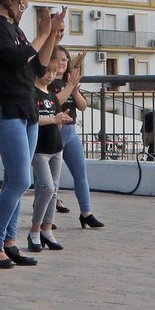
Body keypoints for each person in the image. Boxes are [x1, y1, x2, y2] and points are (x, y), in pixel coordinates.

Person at [0, 0, 63, 270]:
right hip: (6, 108)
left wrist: (50, 36)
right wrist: (40, 34)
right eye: (24, 0)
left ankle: (9, 242)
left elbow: (37, 67)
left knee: (17, 180)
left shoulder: (16, 30)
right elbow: (15, 59)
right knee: (20, 180)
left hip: (26, 110)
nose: (25, 6)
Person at [28, 50, 80, 252]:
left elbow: (57, 116)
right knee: (47, 188)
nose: (50, 75)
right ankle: (34, 229)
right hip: (40, 149)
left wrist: (61, 118)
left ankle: (47, 229)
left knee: (54, 189)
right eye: (46, 71)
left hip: (55, 147)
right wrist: (54, 119)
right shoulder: (32, 94)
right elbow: (33, 120)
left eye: (52, 71)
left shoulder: (51, 96)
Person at [57, 47, 103, 228]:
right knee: (49, 177)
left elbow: (83, 106)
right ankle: (45, 214)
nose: (62, 63)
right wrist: (68, 87)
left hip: (71, 133)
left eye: (65, 59)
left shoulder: (70, 81)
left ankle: (86, 213)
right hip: (54, 132)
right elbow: (55, 102)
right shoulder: (49, 82)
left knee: (80, 173)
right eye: (58, 59)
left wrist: (75, 91)